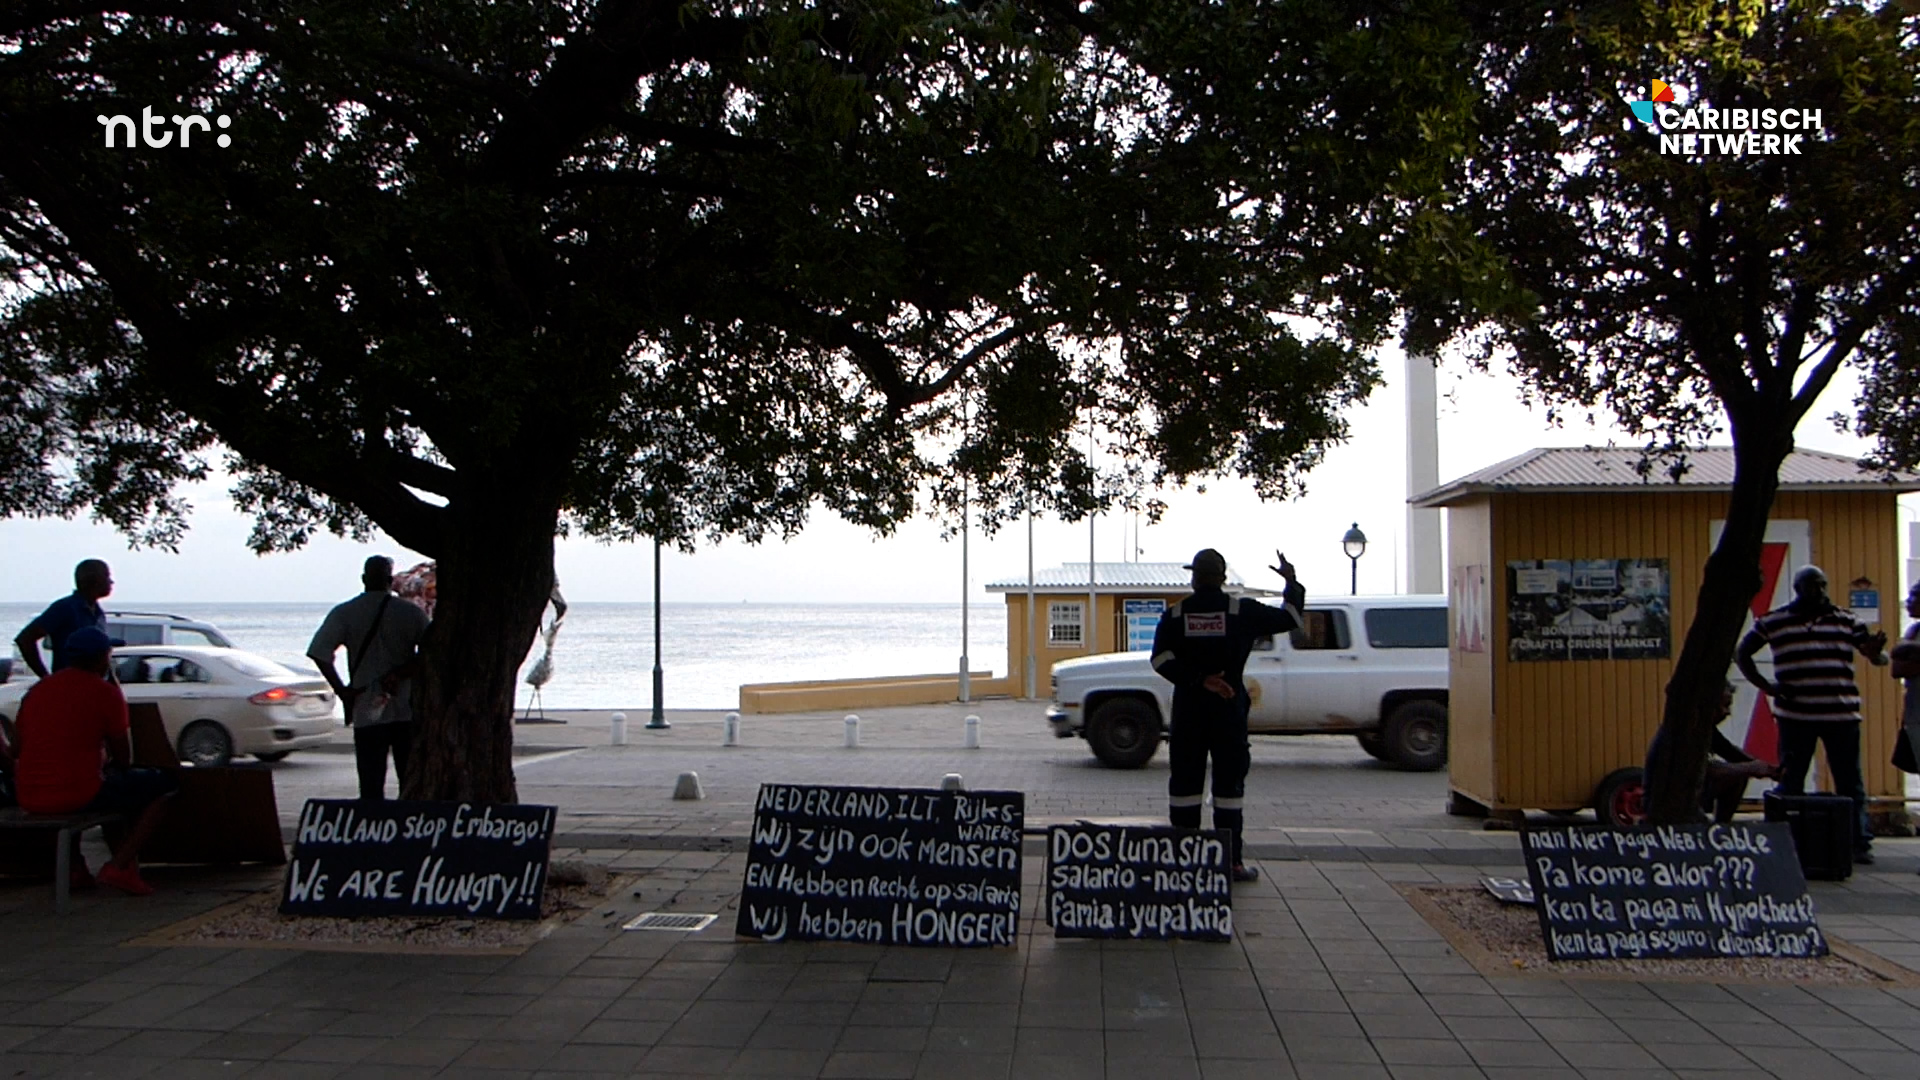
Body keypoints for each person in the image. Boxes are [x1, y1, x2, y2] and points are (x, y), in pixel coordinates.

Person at [1150, 548, 1304, 883]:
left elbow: (1160, 660)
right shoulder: (1241, 612)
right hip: (1229, 709)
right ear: (1222, 579)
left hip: (1190, 709)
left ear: (1193, 578)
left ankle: (1185, 861)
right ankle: (1230, 863)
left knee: (1185, 785)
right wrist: (1291, 582)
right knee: (1229, 787)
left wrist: (1198, 680)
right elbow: (1291, 617)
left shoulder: (1176, 615)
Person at [1736, 565, 1888, 864]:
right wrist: (1766, 686)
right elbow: (1742, 653)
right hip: (1796, 716)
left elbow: (1876, 656)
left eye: (1823, 585)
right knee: (1791, 779)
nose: (1819, 591)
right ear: (1798, 588)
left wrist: (1873, 652)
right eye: (1812, 586)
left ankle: (1859, 842)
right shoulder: (1774, 621)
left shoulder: (1846, 620)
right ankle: (1787, 838)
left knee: (1849, 781)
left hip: (1841, 714)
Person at [10, 628, 178, 895]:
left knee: (94, 789)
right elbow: (124, 757)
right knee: (163, 787)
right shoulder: (104, 693)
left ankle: (76, 869)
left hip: (29, 794)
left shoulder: (37, 691)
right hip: (77, 792)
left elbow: (17, 748)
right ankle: (119, 866)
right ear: (103, 658)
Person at [308, 556, 432, 801]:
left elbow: (320, 653)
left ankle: (373, 828)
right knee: (410, 781)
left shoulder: (345, 612)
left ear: (364, 579)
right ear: (390, 580)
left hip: (366, 707)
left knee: (370, 782)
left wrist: (342, 689)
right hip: (406, 707)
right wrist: (401, 673)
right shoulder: (410, 613)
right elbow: (432, 654)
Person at [13, 559, 113, 677]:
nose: (111, 582)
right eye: (106, 576)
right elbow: (25, 639)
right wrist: (46, 678)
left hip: (93, 686)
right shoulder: (65, 608)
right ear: (92, 580)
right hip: (70, 685)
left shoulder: (97, 612)